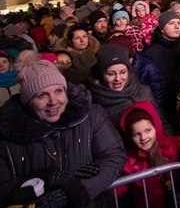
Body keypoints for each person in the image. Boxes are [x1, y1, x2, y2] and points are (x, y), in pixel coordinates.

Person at [0, 51, 126, 208]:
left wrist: (74, 192)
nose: (53, 101)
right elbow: (3, 188)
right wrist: (46, 180)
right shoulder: (7, 132)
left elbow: (113, 157)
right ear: (28, 101)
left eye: (58, 91)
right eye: (42, 95)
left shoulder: (91, 116)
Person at [88, 43, 173, 135]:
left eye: (123, 72)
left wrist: (168, 144)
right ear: (100, 75)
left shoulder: (144, 92)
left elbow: (162, 124)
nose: (118, 78)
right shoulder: (95, 106)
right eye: (111, 74)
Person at [116, 101, 180, 207]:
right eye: (136, 134)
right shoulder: (128, 161)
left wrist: (178, 181)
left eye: (148, 130)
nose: (143, 138)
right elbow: (118, 189)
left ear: (156, 128)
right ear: (130, 137)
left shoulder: (174, 144)